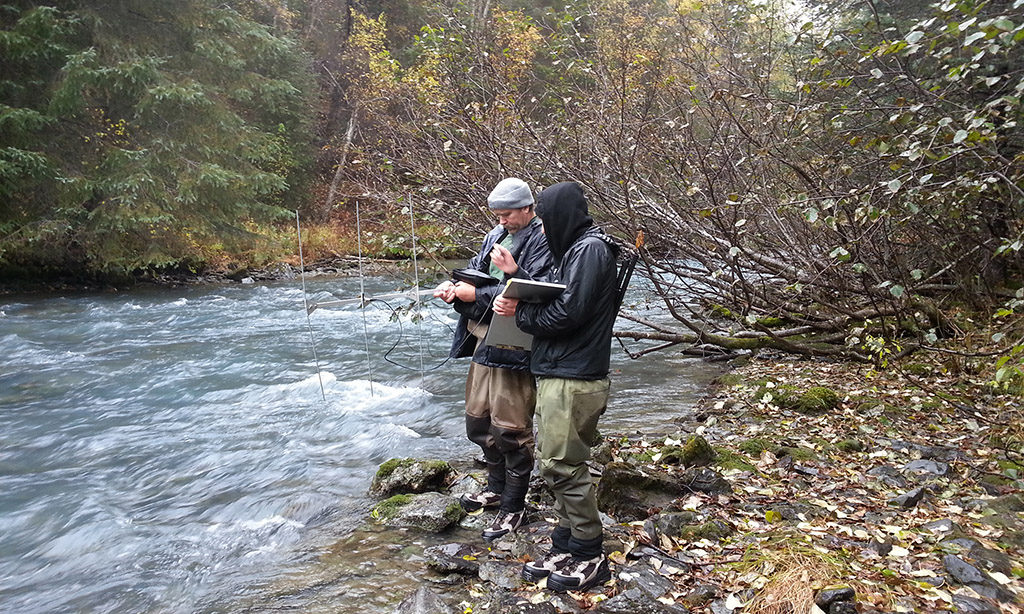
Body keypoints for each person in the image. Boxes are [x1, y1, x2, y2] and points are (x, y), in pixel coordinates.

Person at [493, 181, 620, 593]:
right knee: (553, 462)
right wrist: (521, 281)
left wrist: (521, 316)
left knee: (564, 465)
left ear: (562, 215)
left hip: (575, 375)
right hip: (560, 372)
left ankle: (590, 553)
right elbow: (559, 294)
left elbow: (569, 314)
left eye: (547, 219)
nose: (543, 229)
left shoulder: (590, 250)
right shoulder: (578, 249)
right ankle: (567, 542)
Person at [433, 177, 552, 540]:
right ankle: (496, 488)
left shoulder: (545, 240)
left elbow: (539, 289)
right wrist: (455, 290)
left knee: (511, 428)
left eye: (508, 215)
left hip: (516, 341)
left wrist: (477, 293)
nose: (502, 221)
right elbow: (476, 275)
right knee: (478, 422)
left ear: (529, 208)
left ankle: (514, 507)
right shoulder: (493, 236)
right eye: (497, 215)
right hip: (483, 338)